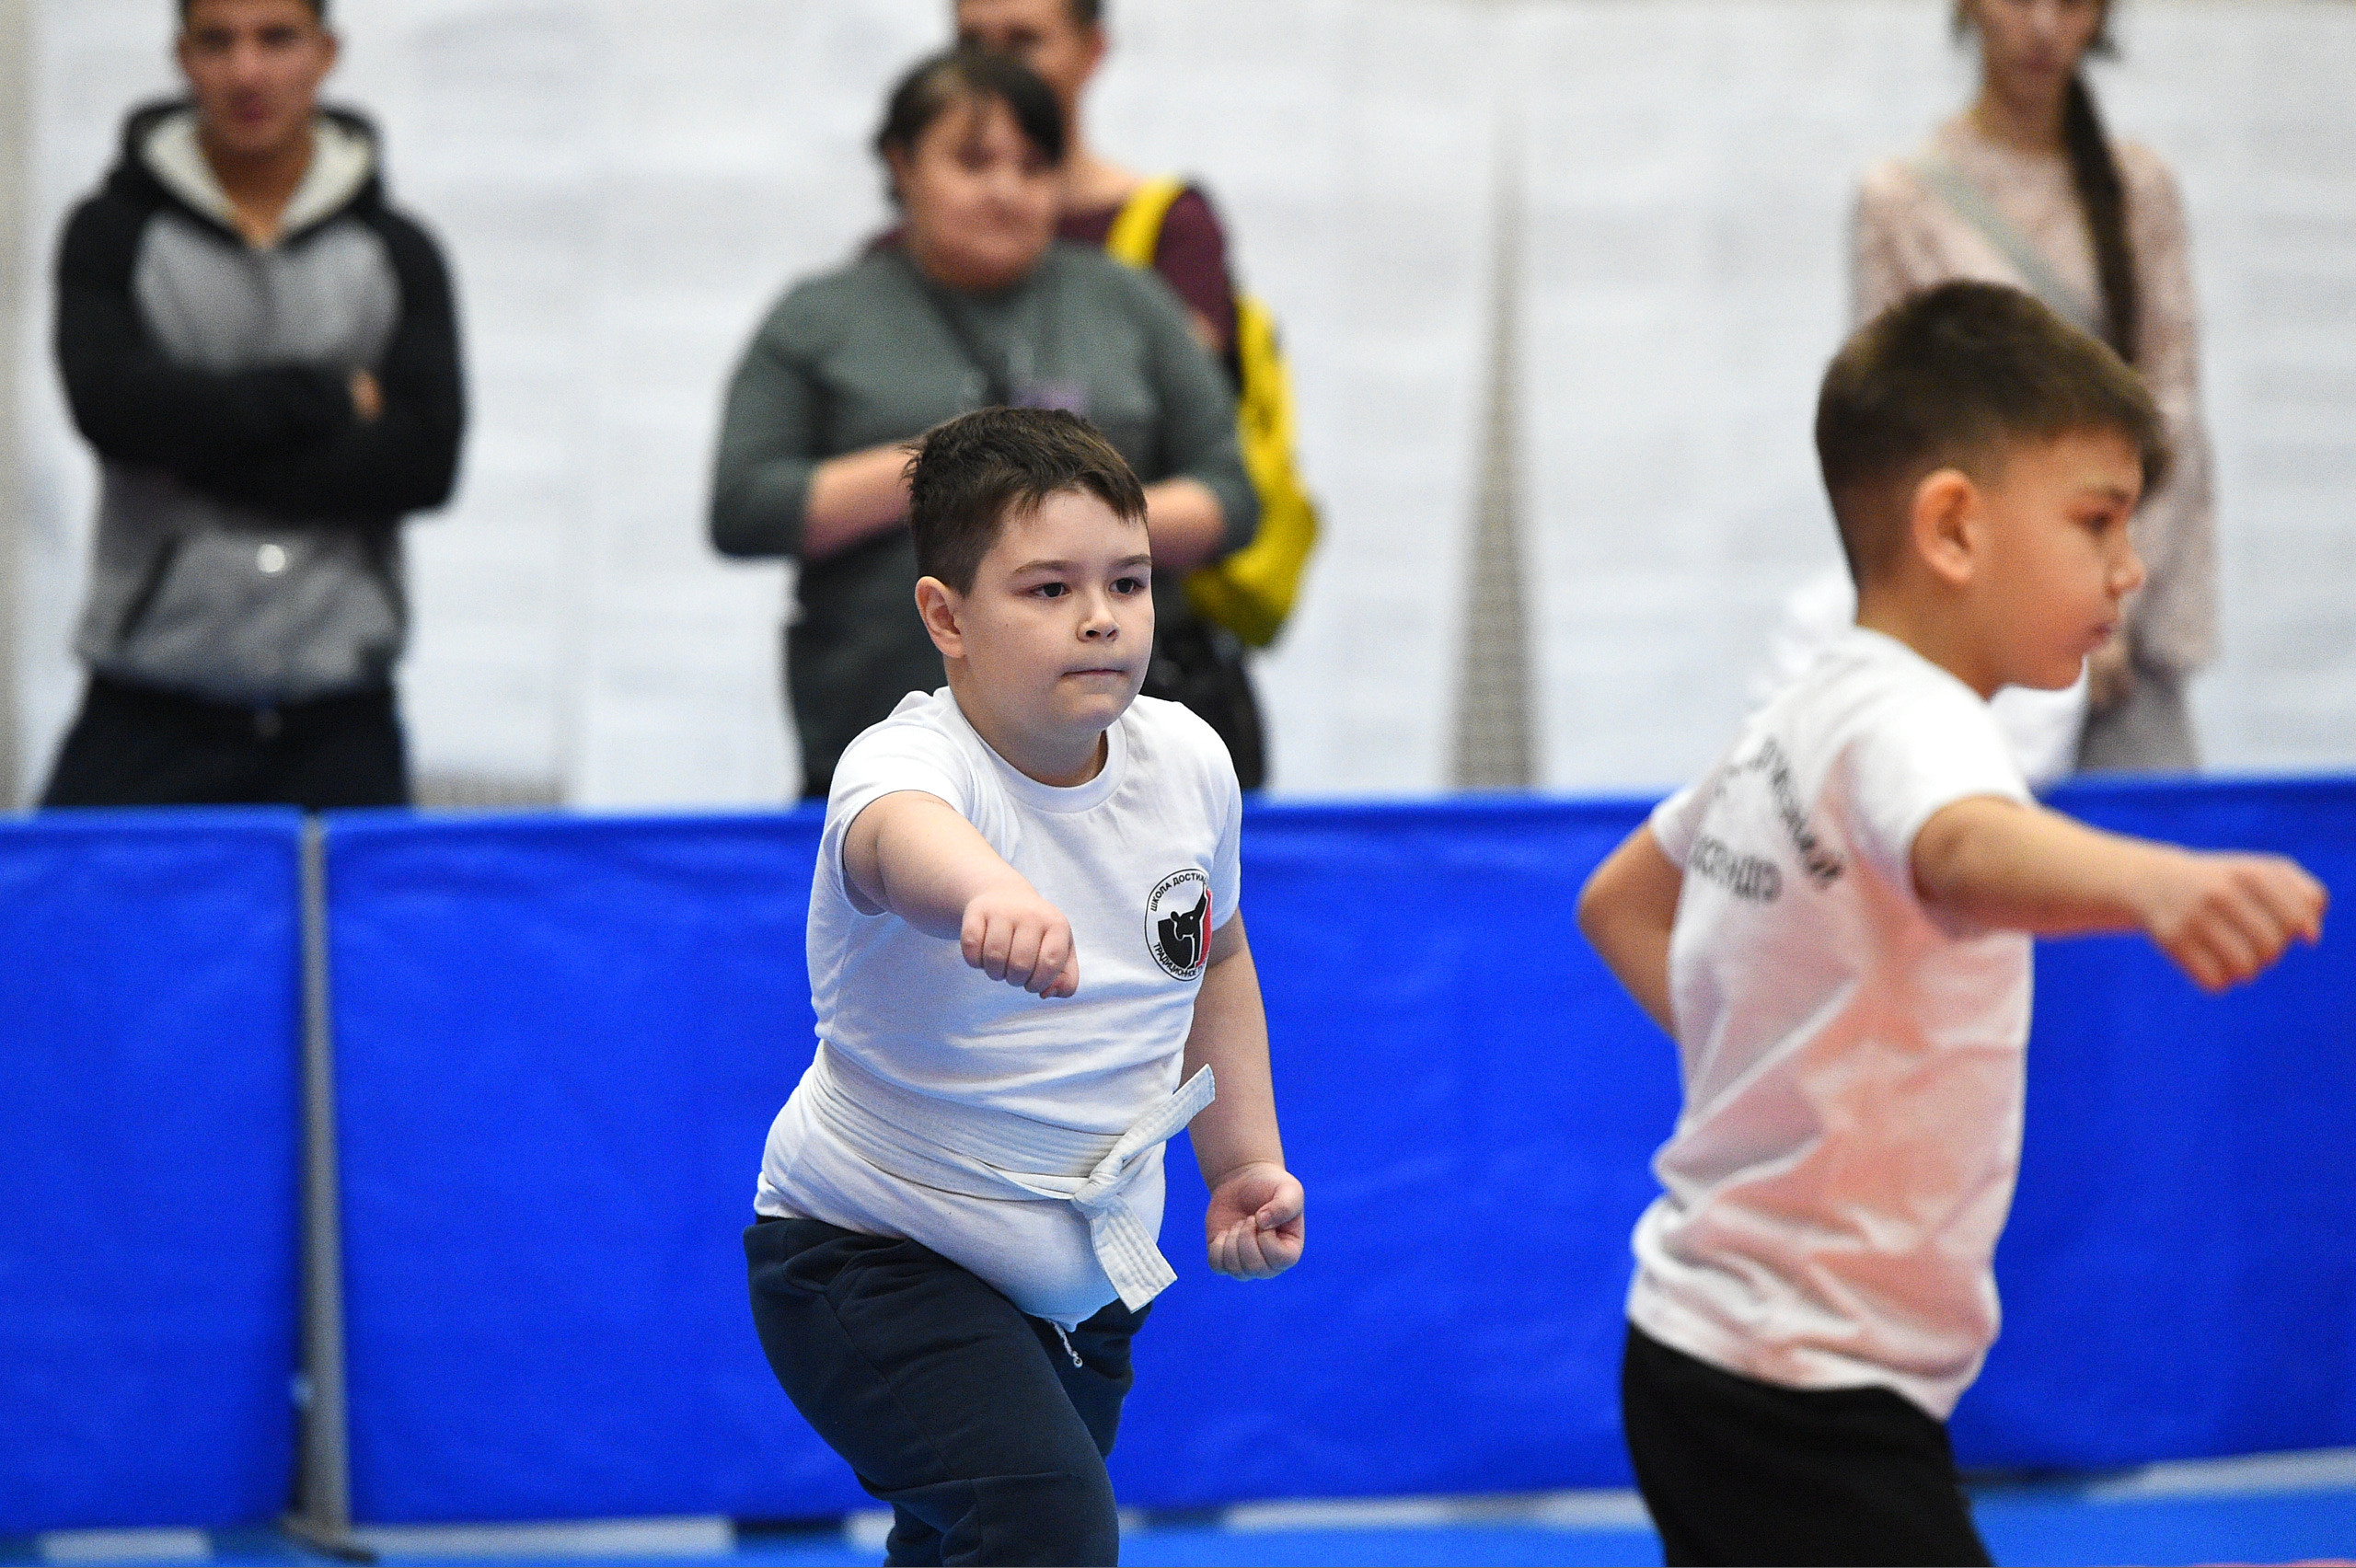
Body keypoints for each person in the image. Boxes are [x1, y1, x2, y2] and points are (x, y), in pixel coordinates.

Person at [1577, 282, 2325, 1567]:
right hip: (1804, 1386)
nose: (2128, 569)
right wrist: (2156, 884)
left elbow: (1621, 902)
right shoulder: (1918, 725)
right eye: (2097, 521)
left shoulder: (1801, 716)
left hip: (1710, 1352)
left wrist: (1770, 1050)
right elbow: (1964, 848)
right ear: (1954, 527)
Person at [743, 407, 1304, 1566]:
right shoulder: (909, 764)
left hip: (1086, 1283)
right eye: (1047, 590)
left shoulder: (1189, 760)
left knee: (977, 1545)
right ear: (946, 618)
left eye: (1130, 582)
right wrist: (980, 893)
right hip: (872, 1251)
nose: (1100, 617)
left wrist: (1243, 1162)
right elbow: (898, 839)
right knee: (1043, 1527)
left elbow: (1219, 957)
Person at [709, 48, 1256, 801]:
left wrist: (1059, 529)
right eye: (973, 162)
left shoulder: (1131, 304)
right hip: (880, 736)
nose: (1006, 190)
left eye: (1034, 167)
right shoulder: (820, 316)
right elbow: (745, 508)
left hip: (1114, 755)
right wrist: (952, 473)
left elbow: (1231, 497)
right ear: (901, 164)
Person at [40, 0, 464, 811]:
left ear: (325, 54)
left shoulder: (401, 253)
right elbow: (113, 412)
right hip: (146, 708)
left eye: (276, 38)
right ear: (182, 57)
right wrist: (336, 400)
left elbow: (423, 465)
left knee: (352, 943)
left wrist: (194, 440)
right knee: (62, 933)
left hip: (341, 721)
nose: (247, 71)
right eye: (218, 41)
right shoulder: (110, 234)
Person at [1849, 0, 2215, 773]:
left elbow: (2173, 423)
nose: (2045, 27)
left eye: (2074, 3)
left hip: (2122, 656)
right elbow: (1894, 448)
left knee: (2149, 869)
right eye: (2019, 0)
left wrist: (2103, 609)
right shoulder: (1902, 201)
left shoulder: (2137, 188)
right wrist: (2023, 615)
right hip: (1971, 651)